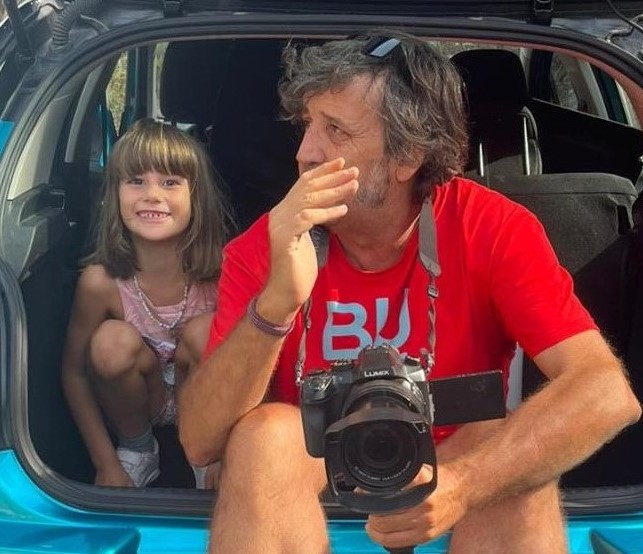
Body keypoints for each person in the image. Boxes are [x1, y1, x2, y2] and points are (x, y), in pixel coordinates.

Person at [178, 33, 641, 552]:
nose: (305, 153)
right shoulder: (267, 244)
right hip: (311, 469)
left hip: (451, 461)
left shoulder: (491, 228)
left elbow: (606, 392)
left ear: (408, 156)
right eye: (307, 125)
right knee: (264, 437)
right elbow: (200, 443)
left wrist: (464, 487)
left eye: (335, 130)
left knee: (510, 452)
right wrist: (276, 306)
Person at [62, 118, 229, 488]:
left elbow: (251, 367)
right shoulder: (100, 282)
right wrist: (105, 463)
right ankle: (139, 449)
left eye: (170, 182)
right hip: (139, 403)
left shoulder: (224, 271)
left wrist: (228, 448)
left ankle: (206, 454)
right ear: (114, 194)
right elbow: (74, 373)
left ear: (196, 197)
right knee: (110, 342)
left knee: (208, 333)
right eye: (136, 181)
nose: (152, 194)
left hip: (202, 405)